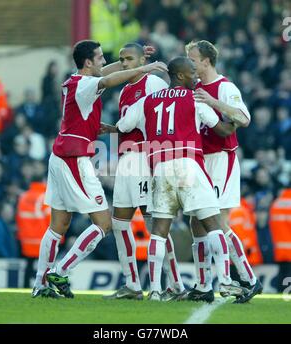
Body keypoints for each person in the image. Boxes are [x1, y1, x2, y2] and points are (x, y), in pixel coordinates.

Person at [32, 40, 167, 298]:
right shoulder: (86, 85)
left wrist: (137, 61)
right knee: (104, 223)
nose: (105, 62)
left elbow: (106, 73)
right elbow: (108, 80)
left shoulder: (75, 81)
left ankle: (40, 284)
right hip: (75, 157)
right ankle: (61, 270)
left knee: (57, 225)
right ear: (88, 62)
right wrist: (146, 69)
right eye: (100, 58)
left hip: (59, 156)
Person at [116, 56, 247, 301]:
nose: (196, 77)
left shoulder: (146, 101)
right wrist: (234, 122)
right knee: (213, 225)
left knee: (159, 231)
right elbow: (222, 129)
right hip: (189, 164)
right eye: (191, 72)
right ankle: (227, 282)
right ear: (179, 76)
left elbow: (123, 125)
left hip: (161, 167)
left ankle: (154, 289)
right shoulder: (195, 98)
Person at [101, 43, 185, 301]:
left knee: (155, 224)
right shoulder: (124, 89)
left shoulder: (153, 84)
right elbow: (126, 125)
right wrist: (114, 130)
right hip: (126, 158)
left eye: (129, 59)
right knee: (119, 223)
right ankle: (133, 285)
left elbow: (159, 120)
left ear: (141, 60)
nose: (124, 63)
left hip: (143, 158)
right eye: (121, 59)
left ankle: (175, 285)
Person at [185, 40, 262, 303]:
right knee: (196, 222)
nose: (190, 63)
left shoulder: (225, 87)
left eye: (193, 59)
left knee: (217, 223)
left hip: (221, 159)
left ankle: (249, 279)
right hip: (199, 160)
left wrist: (214, 102)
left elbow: (244, 118)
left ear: (206, 60)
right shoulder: (193, 87)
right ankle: (203, 285)